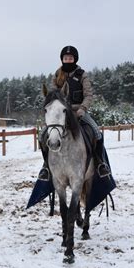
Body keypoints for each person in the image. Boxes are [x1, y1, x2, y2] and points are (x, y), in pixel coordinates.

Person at [38, 45, 111, 181]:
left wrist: (83, 109)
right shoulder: (57, 74)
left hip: (78, 111)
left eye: (70, 58)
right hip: (61, 114)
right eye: (65, 58)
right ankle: (46, 167)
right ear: (62, 59)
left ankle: (100, 164)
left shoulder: (82, 75)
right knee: (42, 135)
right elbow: (53, 95)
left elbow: (89, 95)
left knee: (97, 133)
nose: (68, 60)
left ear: (75, 59)